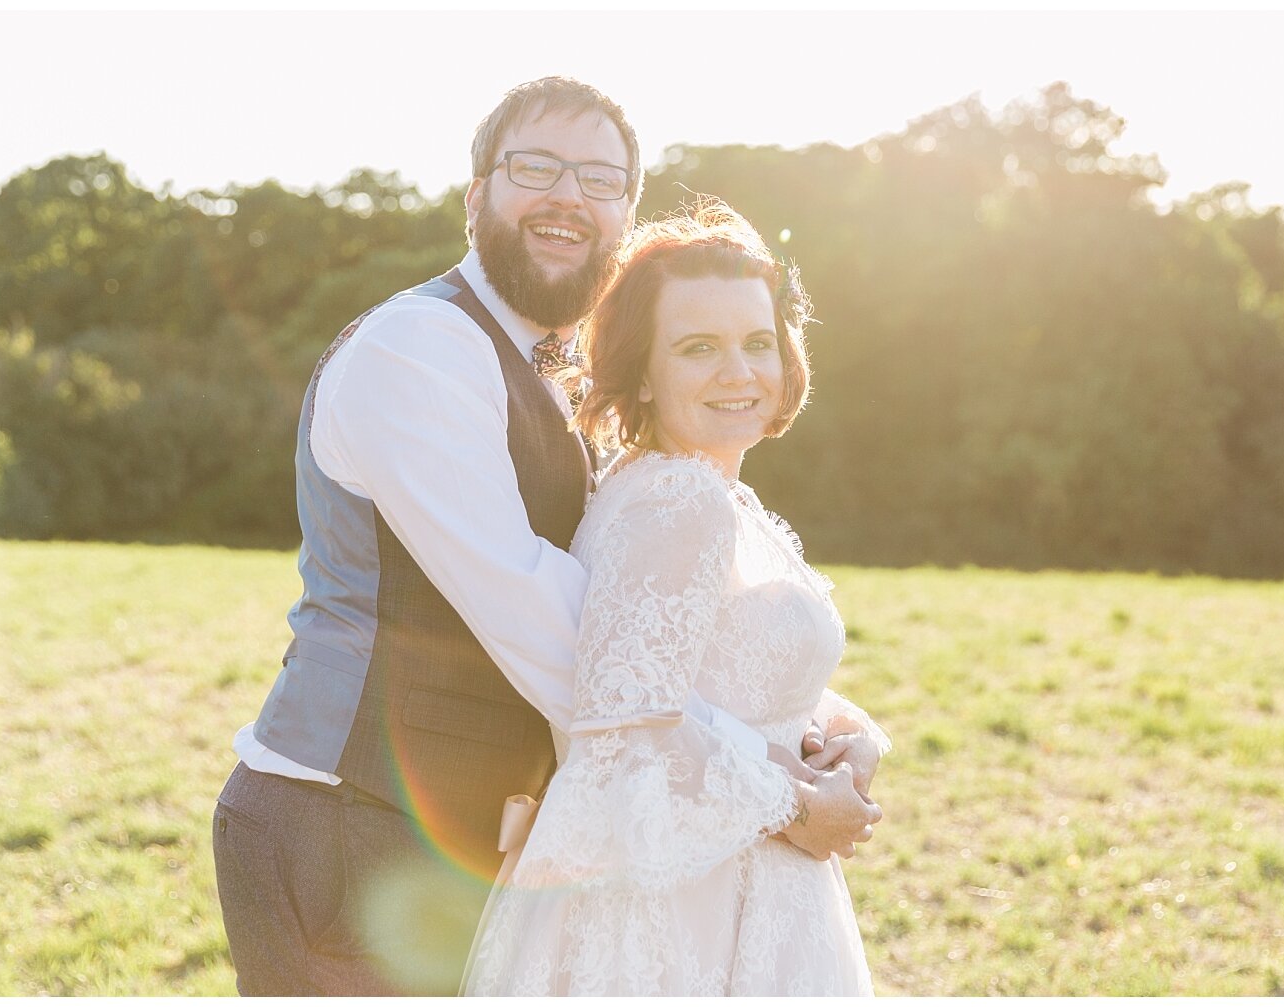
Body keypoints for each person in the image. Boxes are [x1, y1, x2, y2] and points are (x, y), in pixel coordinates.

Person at [210, 78, 882, 996]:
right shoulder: (420, 348)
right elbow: (538, 612)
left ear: (625, 215)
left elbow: (672, 626)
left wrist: (825, 729)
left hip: (485, 832)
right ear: (475, 192)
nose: (570, 195)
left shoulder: (562, 374)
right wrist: (783, 786)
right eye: (536, 167)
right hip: (351, 823)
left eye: (602, 178)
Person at [465, 199, 888, 996]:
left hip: (735, 876)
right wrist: (802, 812)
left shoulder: (695, 493)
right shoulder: (678, 506)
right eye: (699, 348)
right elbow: (625, 731)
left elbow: (709, 679)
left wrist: (853, 737)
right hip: (688, 911)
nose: (740, 371)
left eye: (757, 342)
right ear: (643, 373)